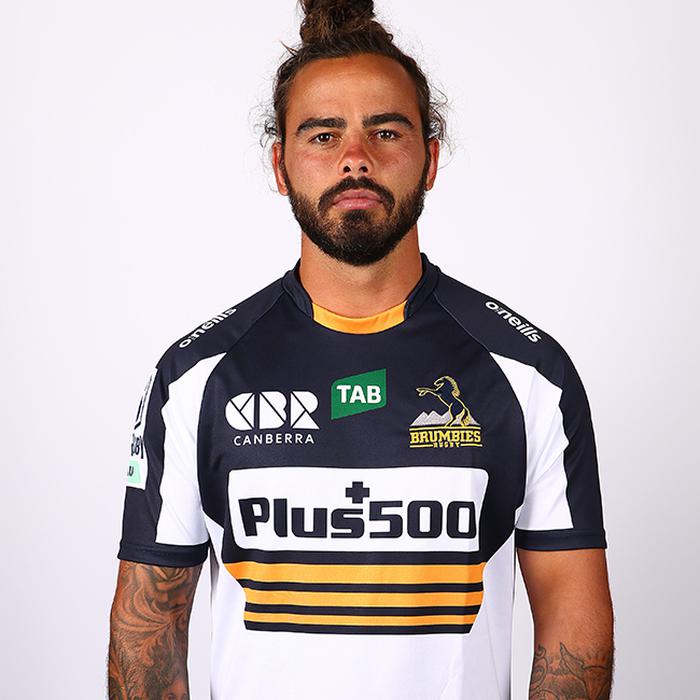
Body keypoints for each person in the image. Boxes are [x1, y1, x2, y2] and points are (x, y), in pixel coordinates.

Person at [108, 1, 614, 698]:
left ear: (430, 158)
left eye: (386, 131)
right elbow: (148, 634)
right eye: (323, 135)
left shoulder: (531, 374)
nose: (356, 158)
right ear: (280, 165)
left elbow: (574, 633)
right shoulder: (194, 379)